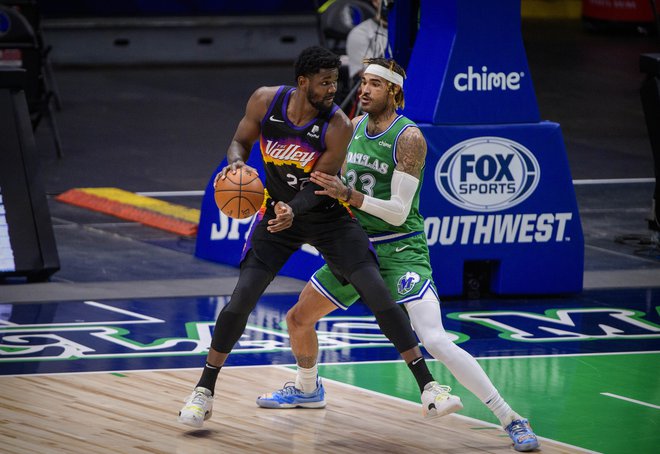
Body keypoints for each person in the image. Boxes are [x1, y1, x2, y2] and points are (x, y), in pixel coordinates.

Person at [256, 57, 540, 453]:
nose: (365, 89)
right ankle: (308, 389)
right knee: (298, 318)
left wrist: (348, 195)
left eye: (374, 84)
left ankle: (512, 418)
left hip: (401, 249)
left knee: (436, 340)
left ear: (393, 91)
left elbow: (399, 211)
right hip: (354, 246)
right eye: (364, 82)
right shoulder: (351, 128)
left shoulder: (409, 138)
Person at [178, 46, 456, 429]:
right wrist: (237, 164)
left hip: (326, 216)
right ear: (303, 82)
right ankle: (203, 392)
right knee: (241, 299)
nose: (334, 89)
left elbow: (318, 185)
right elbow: (239, 141)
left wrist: (295, 208)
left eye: (336, 82)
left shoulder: (338, 124)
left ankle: (429, 387)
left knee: (375, 289)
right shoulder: (265, 101)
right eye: (326, 83)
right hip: (277, 215)